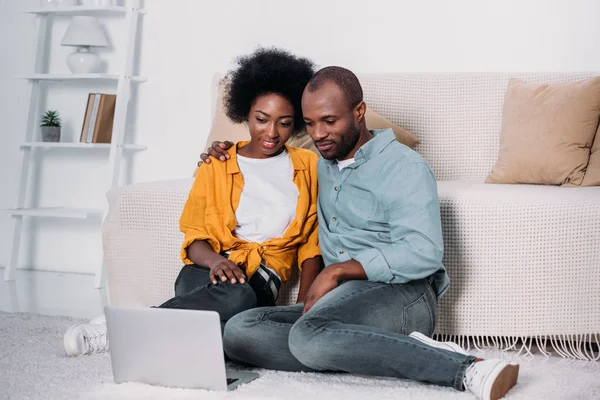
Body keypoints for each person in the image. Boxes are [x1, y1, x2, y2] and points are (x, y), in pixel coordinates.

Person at [200, 66, 520, 400]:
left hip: (401, 293)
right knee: (240, 332)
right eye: (309, 123)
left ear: (359, 112)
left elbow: (423, 252)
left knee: (307, 337)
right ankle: (380, 347)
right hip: (340, 303)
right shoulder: (315, 164)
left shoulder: (404, 165)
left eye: (329, 121)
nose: (319, 133)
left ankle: (466, 368)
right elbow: (265, 159)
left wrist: (338, 270)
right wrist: (223, 152)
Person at [63, 48, 323, 357]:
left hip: (257, 284)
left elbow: (311, 247)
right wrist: (217, 261)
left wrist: (302, 307)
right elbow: (195, 236)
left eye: (284, 122)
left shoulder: (308, 166)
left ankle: (123, 325)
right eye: (261, 119)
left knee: (239, 302)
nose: (271, 132)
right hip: (204, 269)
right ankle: (123, 329)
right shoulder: (218, 162)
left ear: (295, 124)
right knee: (228, 307)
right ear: (245, 114)